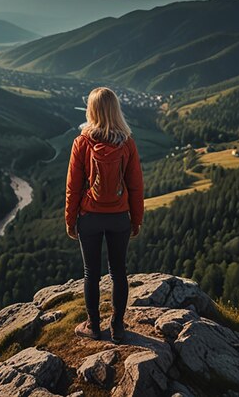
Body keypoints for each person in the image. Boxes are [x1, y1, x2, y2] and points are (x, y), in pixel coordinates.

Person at [65, 87, 144, 343]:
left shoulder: (82, 142)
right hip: (119, 217)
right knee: (119, 272)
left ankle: (93, 325)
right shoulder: (128, 143)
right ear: (116, 110)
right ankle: (118, 327)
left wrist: (70, 220)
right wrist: (136, 219)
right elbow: (135, 185)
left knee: (91, 273)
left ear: (92, 110)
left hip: (90, 217)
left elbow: (73, 187)